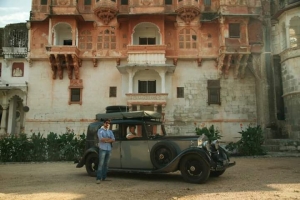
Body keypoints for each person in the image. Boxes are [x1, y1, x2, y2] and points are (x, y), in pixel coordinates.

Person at [96, 119, 115, 184]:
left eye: (108, 123)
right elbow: (101, 139)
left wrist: (106, 140)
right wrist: (108, 139)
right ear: (104, 123)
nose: (107, 124)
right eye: (106, 123)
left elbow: (113, 139)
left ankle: (104, 177)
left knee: (106, 164)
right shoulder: (100, 131)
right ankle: (98, 178)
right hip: (103, 148)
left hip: (108, 149)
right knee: (101, 164)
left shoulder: (110, 131)